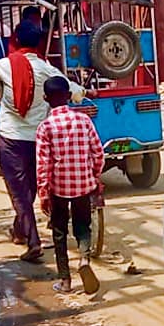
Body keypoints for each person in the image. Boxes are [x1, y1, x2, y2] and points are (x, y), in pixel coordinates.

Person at [0, 18, 85, 262]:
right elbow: (75, 92)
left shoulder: (2, 65)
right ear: (40, 42)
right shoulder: (48, 70)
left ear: (15, 39)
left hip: (10, 136)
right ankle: (20, 231)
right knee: (31, 189)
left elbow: (0, 93)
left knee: (19, 192)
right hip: (38, 137)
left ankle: (32, 240)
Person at [36, 76, 103, 295]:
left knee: (59, 233)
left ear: (46, 99)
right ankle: (84, 257)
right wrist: (94, 176)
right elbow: (98, 152)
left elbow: (43, 164)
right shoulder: (83, 120)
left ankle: (65, 280)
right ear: (68, 96)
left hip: (58, 190)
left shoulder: (45, 127)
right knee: (83, 226)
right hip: (83, 186)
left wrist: (43, 194)